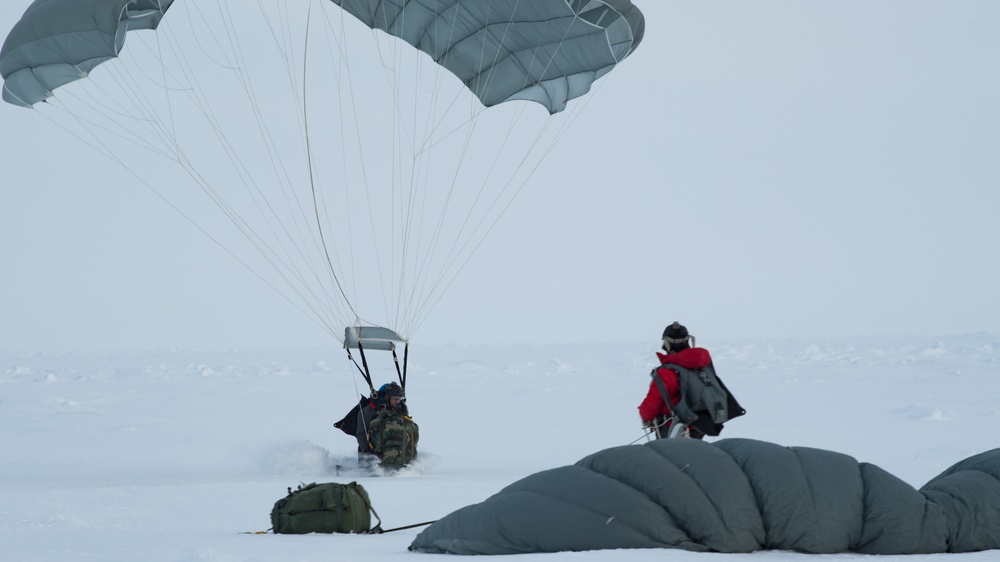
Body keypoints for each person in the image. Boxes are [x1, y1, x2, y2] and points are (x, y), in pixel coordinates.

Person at [637, 322, 713, 439]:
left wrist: (644, 414)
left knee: (669, 456)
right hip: (701, 424)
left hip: (674, 426)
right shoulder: (703, 365)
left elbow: (652, 404)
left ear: (667, 343)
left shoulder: (666, 372)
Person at [356, 382, 418, 469]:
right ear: (387, 397)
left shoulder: (401, 408)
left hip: (400, 456)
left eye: (399, 399)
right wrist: (368, 454)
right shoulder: (369, 411)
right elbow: (361, 435)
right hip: (373, 460)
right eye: (395, 399)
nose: (397, 401)